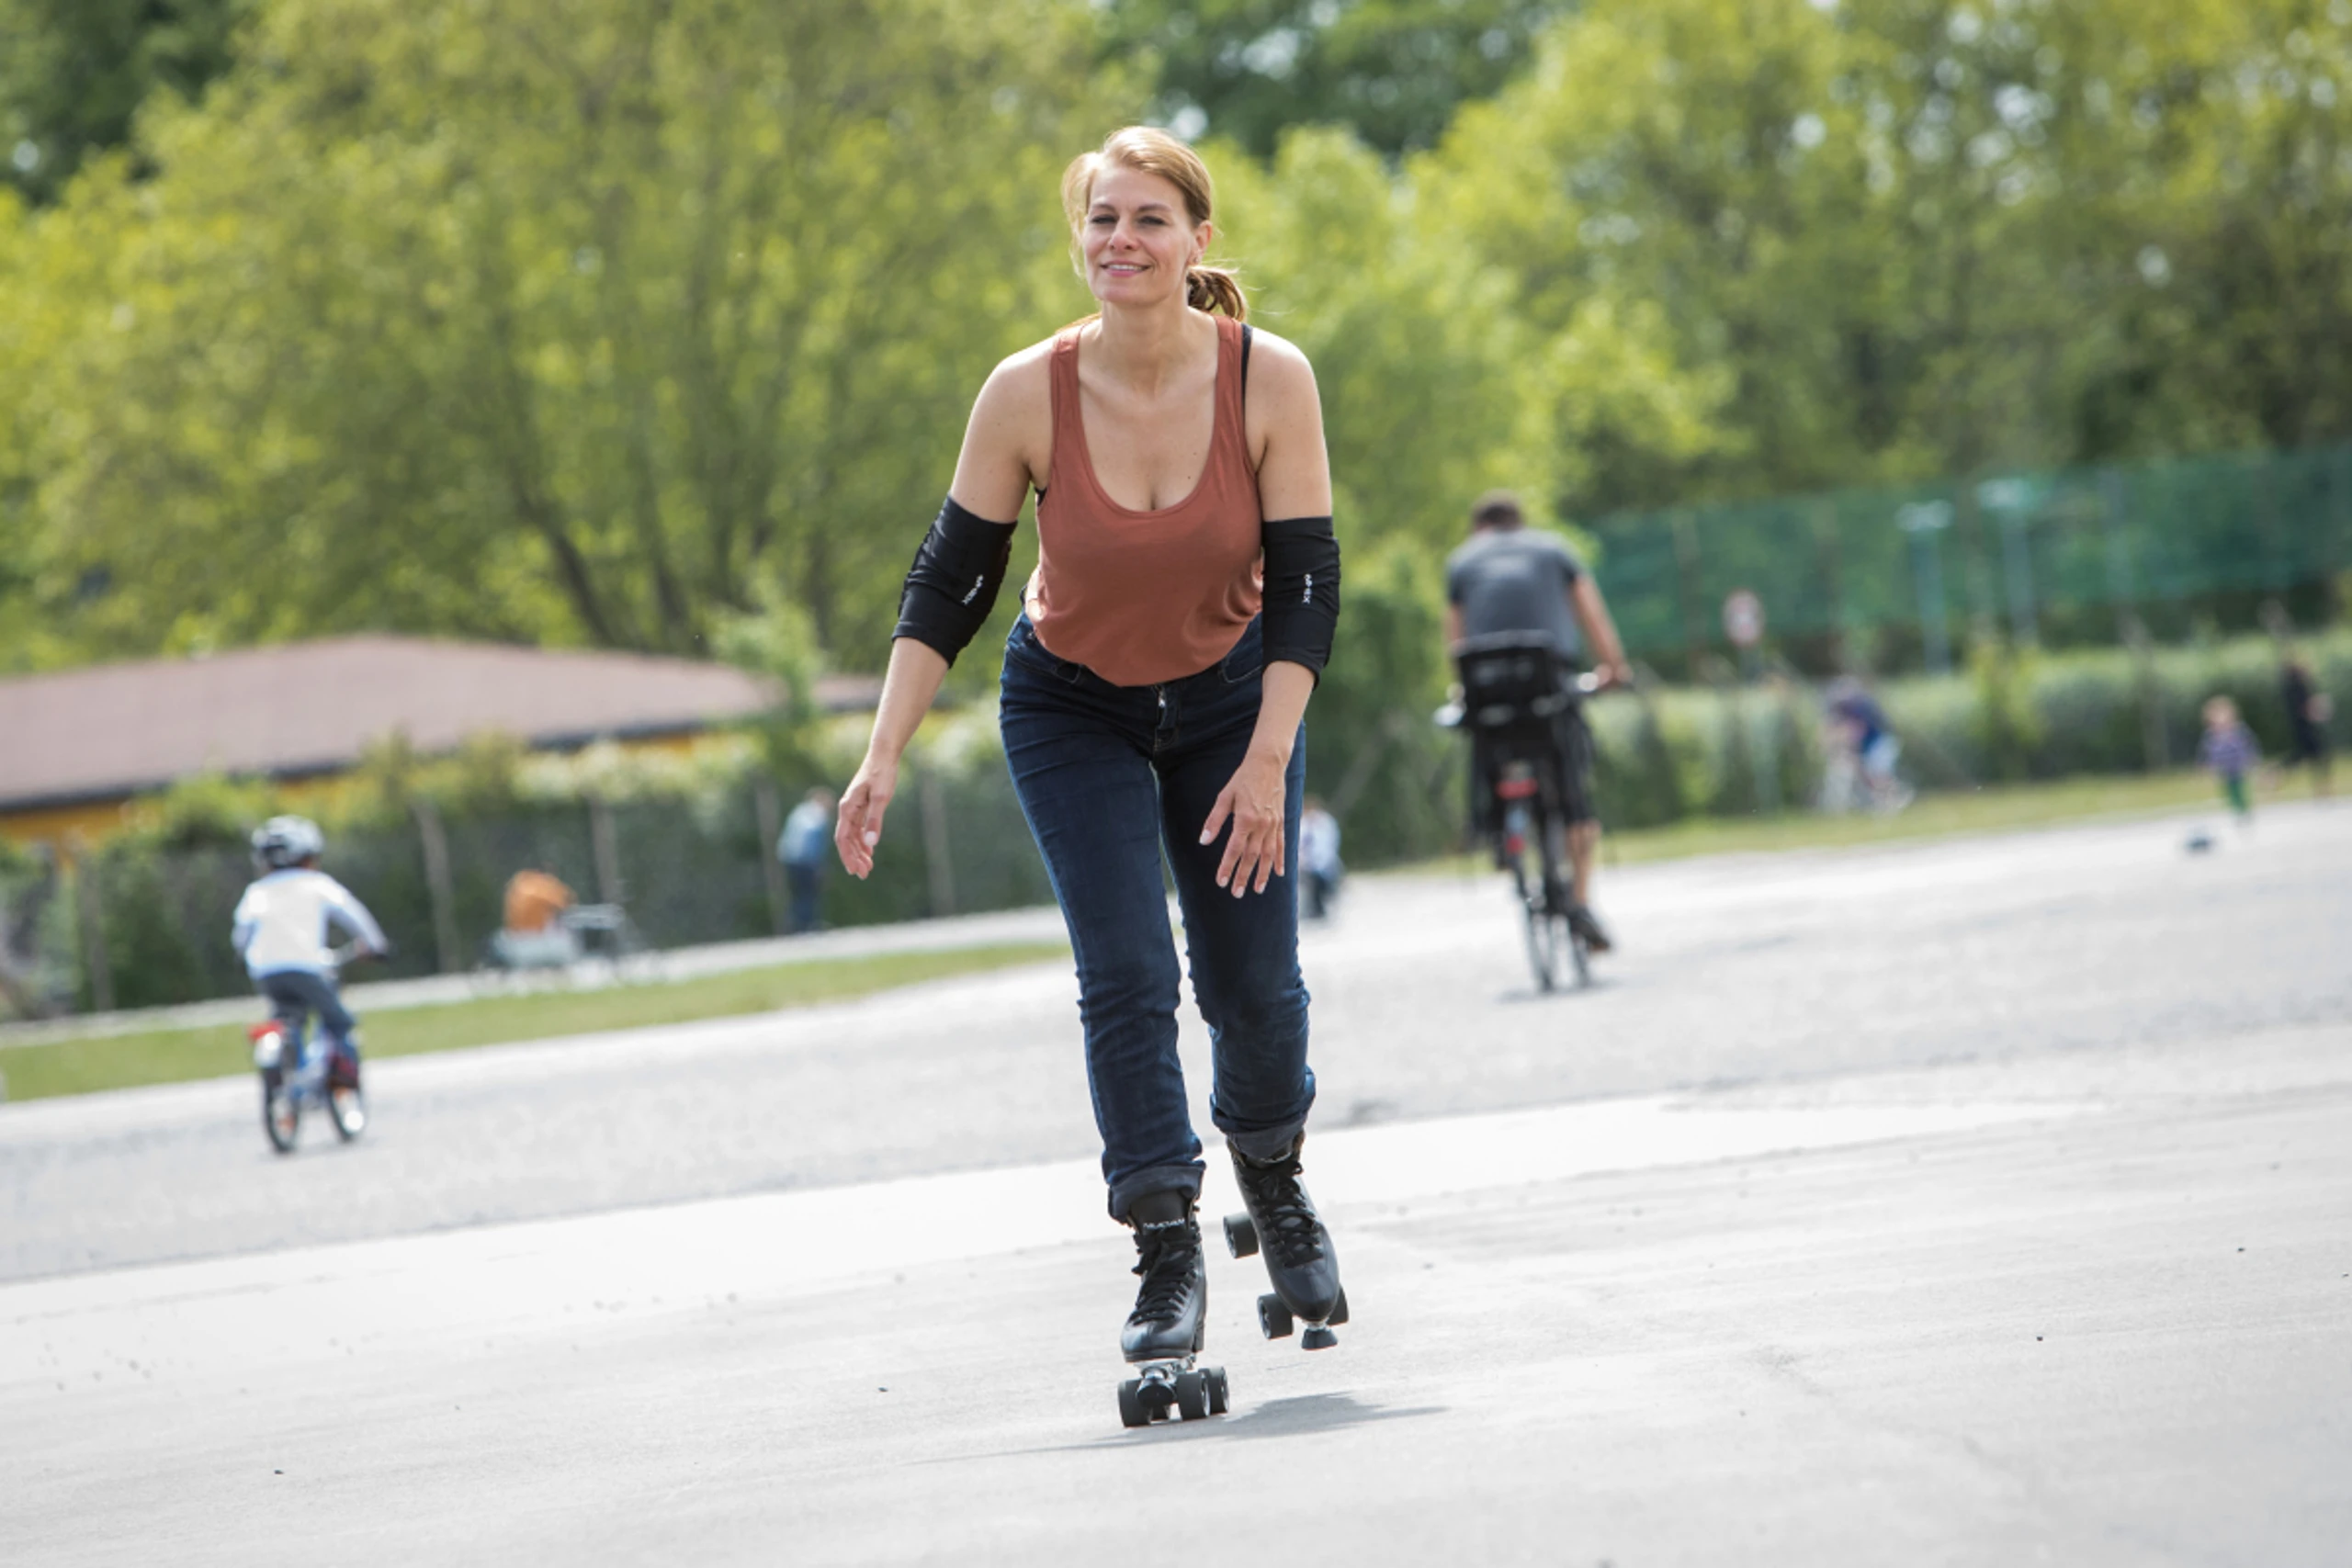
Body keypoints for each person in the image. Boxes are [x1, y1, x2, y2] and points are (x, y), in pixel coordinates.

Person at [833, 127, 1348, 1396]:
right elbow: (952, 580)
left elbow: (1308, 583)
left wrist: (1272, 756)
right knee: (1125, 972)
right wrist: (881, 752)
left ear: (1197, 241)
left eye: (1149, 220)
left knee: (1256, 988)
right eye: (1101, 219)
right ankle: (1168, 1249)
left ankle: (1274, 1183)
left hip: (1234, 709)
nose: (1121, 240)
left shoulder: (1268, 379)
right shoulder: (1026, 390)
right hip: (1075, 709)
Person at [1444, 491, 1631, 953]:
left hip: (1490, 697)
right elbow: (1592, 614)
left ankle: (1496, 827)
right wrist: (1613, 669)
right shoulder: (1554, 549)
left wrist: (1462, 688)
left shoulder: (1461, 562)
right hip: (1549, 690)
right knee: (1575, 798)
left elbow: (1455, 637)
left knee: (1486, 738)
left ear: (1479, 529)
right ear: (1519, 523)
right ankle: (1581, 901)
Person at [232, 816, 389, 1095]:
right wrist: (376, 943)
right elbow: (353, 914)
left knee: (288, 1021)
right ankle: (341, 1077)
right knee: (339, 1020)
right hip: (306, 967)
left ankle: (292, 1075)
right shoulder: (315, 883)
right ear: (307, 855)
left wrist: (240, 955)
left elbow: (241, 934)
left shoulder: (256, 891)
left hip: (265, 972)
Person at [777, 787, 836, 934]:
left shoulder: (799, 812)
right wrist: (818, 865)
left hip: (790, 859)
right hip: (807, 861)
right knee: (808, 894)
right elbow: (813, 841)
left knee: (798, 894)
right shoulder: (817, 815)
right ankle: (807, 926)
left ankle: (795, 925)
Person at [2198, 694, 2260, 826]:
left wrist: (2252, 759)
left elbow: (2250, 744)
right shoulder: (2212, 735)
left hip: (2238, 765)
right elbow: (2207, 753)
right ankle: (2236, 810)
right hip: (2224, 768)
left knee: (2240, 788)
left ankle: (2245, 810)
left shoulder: (2239, 730)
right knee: (2229, 790)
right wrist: (2208, 766)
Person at [2278, 654, 2333, 797]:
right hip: (2306, 728)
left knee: (2302, 756)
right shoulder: (2299, 686)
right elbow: (2305, 708)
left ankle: (2274, 774)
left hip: (2300, 727)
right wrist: (2319, 712)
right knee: (2317, 756)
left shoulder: (2290, 687)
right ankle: (2322, 789)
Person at [1298, 795, 1343, 920]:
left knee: (1325, 885)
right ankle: (1313, 909)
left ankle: (1322, 907)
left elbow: (1329, 842)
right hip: (1308, 861)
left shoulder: (1325, 822)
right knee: (1310, 886)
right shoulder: (1305, 823)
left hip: (1324, 859)